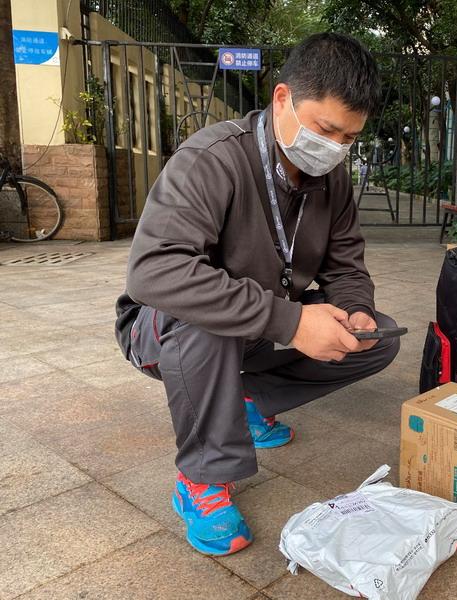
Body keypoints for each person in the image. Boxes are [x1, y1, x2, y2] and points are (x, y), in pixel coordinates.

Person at [113, 33, 399, 556]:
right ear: (283, 98)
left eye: (349, 138)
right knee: (205, 320)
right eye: (325, 130)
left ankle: (245, 401)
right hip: (165, 328)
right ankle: (201, 479)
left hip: (261, 319)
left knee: (377, 338)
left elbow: (346, 266)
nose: (335, 148)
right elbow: (155, 272)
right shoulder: (212, 159)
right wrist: (293, 323)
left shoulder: (332, 180)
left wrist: (355, 310)